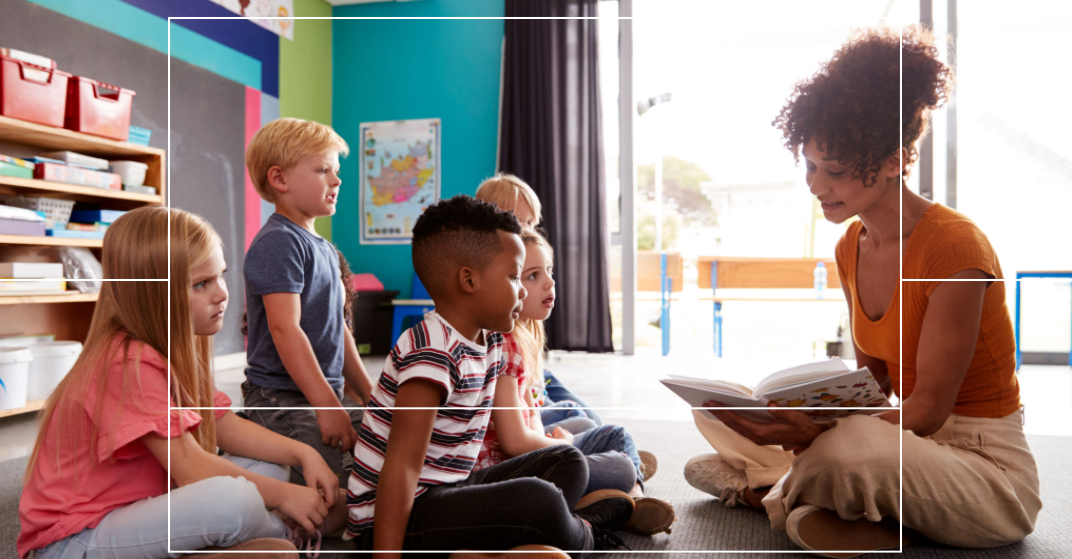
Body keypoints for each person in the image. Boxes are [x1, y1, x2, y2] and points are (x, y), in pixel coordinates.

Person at [683, 26, 1041, 557]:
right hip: (905, 448)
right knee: (713, 406)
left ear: (896, 161)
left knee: (848, 449)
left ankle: (770, 492)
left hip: (983, 469)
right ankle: (829, 497)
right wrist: (804, 417)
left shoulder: (956, 250)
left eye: (836, 170)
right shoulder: (852, 244)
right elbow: (875, 383)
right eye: (809, 165)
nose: (815, 185)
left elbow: (926, 412)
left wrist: (820, 434)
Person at [17, 207, 342, 559]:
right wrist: (283, 497)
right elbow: (190, 468)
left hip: (144, 505)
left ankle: (242, 537)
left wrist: (303, 454)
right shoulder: (126, 362)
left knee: (268, 467)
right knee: (236, 499)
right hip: (77, 542)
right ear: (152, 295)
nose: (222, 294)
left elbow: (221, 424)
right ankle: (288, 531)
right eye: (201, 284)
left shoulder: (172, 349)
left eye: (221, 276)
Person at [345, 195, 634, 555]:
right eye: (514, 276)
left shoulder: (492, 340)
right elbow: (401, 469)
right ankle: (586, 530)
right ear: (468, 280)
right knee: (538, 500)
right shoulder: (432, 352)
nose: (524, 289)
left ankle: (504, 545)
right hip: (398, 518)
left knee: (567, 461)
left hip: (452, 489)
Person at [476, 229, 677, 536]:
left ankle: (621, 491)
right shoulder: (505, 344)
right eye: (532, 276)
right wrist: (561, 445)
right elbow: (515, 443)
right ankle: (631, 498)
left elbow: (529, 415)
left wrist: (551, 439)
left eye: (549, 271)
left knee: (594, 428)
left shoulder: (521, 338)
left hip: (527, 456)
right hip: (513, 470)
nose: (549, 283)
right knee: (619, 461)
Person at [241, 117, 374, 485]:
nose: (337, 180)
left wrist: (371, 397)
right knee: (335, 484)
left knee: (391, 445)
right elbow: (285, 329)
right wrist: (328, 407)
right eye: (322, 170)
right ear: (279, 179)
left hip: (321, 395)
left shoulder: (327, 250)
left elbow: (340, 331)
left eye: (336, 170)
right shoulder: (279, 242)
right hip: (279, 398)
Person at [475, 174, 602, 429]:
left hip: (538, 381)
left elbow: (532, 368)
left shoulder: (529, 284)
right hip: (516, 391)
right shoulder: (494, 295)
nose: (526, 230)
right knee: (580, 420)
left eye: (531, 222)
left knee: (591, 418)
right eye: (516, 221)